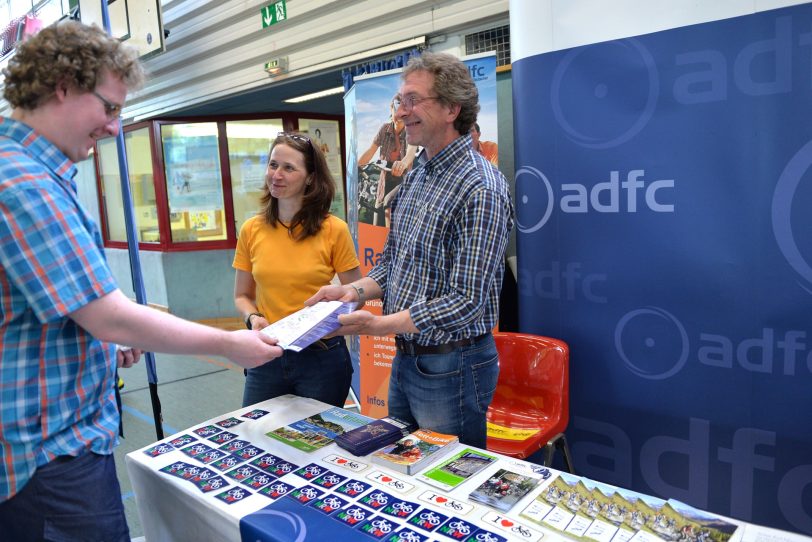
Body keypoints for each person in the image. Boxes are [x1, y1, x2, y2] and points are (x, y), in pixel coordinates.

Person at [0, 21, 282, 541]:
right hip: (50, 458)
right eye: (108, 108)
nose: (113, 127)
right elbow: (105, 312)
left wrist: (106, 341)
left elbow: (59, 310)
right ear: (62, 85)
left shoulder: (35, 172)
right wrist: (228, 344)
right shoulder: (22, 182)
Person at [307, 51, 514, 448]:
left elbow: (466, 302)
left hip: (452, 365)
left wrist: (379, 326)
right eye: (401, 101)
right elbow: (394, 263)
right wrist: (353, 292)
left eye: (413, 100)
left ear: (453, 108)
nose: (401, 112)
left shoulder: (480, 188)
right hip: (408, 356)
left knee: (447, 479)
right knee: (402, 465)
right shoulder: (419, 172)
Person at [233, 131, 362, 408]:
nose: (276, 175)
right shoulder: (251, 230)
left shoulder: (334, 230)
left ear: (311, 177)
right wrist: (252, 318)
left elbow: (356, 295)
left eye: (289, 168)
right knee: (257, 436)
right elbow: (242, 295)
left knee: (316, 444)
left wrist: (331, 326)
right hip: (267, 354)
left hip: (322, 358)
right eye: (273, 165)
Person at [357, 94, 418, 226]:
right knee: (376, 219)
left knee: (389, 201)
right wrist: (355, 166)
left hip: (403, 180)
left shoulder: (412, 131)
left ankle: (392, 242)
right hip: (385, 180)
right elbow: (370, 151)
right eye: (396, 110)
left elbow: (410, 153)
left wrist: (402, 165)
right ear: (391, 110)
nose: (399, 116)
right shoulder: (385, 129)